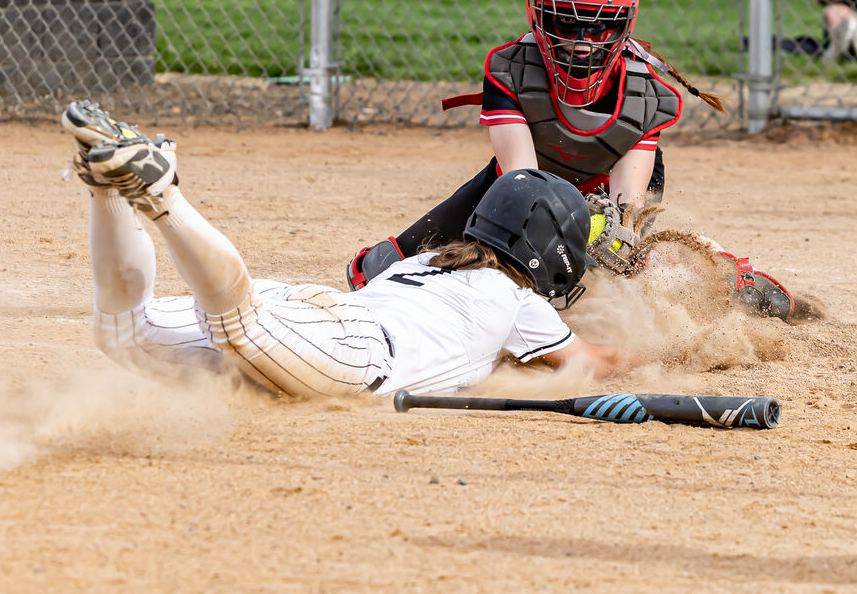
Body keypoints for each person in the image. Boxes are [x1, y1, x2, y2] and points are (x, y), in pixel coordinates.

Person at [345, 0, 796, 320]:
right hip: (523, 181)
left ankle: (724, 273)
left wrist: (609, 233)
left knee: (623, 257)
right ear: (538, 13)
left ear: (624, 26)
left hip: (604, 188)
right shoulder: (512, 69)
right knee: (376, 268)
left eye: (599, 28)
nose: (581, 42)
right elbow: (520, 181)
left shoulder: (644, 93)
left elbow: (625, 206)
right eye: (566, 22)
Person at [61, 100, 639, 398]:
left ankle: (106, 188)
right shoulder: (519, 305)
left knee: (122, 332)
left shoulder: (426, 260)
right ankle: (163, 196)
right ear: (545, 249)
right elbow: (598, 363)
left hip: (315, 315)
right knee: (235, 323)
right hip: (355, 354)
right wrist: (676, 348)